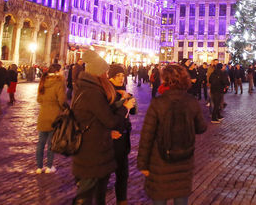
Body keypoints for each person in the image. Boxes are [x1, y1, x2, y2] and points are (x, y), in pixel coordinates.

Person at [138, 65, 207, 205]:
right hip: (184, 159)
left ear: (165, 80)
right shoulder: (191, 101)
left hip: (160, 160)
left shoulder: (158, 103)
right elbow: (201, 128)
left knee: (159, 197)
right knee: (181, 197)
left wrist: (143, 164)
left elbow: (147, 136)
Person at [71, 50, 134, 205]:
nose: (107, 76)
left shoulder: (85, 88)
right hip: (92, 150)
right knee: (89, 193)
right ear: (98, 74)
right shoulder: (92, 92)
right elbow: (110, 120)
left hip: (91, 147)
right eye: (105, 73)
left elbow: (99, 115)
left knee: (93, 190)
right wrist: (124, 107)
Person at [109, 64, 136, 205]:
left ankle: (122, 200)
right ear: (111, 77)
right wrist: (123, 104)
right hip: (112, 138)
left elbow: (131, 112)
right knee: (107, 172)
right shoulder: (108, 92)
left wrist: (131, 102)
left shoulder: (123, 90)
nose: (120, 79)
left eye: (122, 76)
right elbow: (108, 115)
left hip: (124, 136)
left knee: (123, 173)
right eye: (117, 76)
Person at [35, 63, 66, 174]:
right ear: (57, 71)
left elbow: (39, 99)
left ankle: (39, 167)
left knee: (41, 143)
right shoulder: (59, 82)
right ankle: (49, 166)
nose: (63, 71)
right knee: (51, 143)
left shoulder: (43, 81)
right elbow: (61, 100)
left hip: (43, 115)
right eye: (62, 69)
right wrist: (65, 109)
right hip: (54, 116)